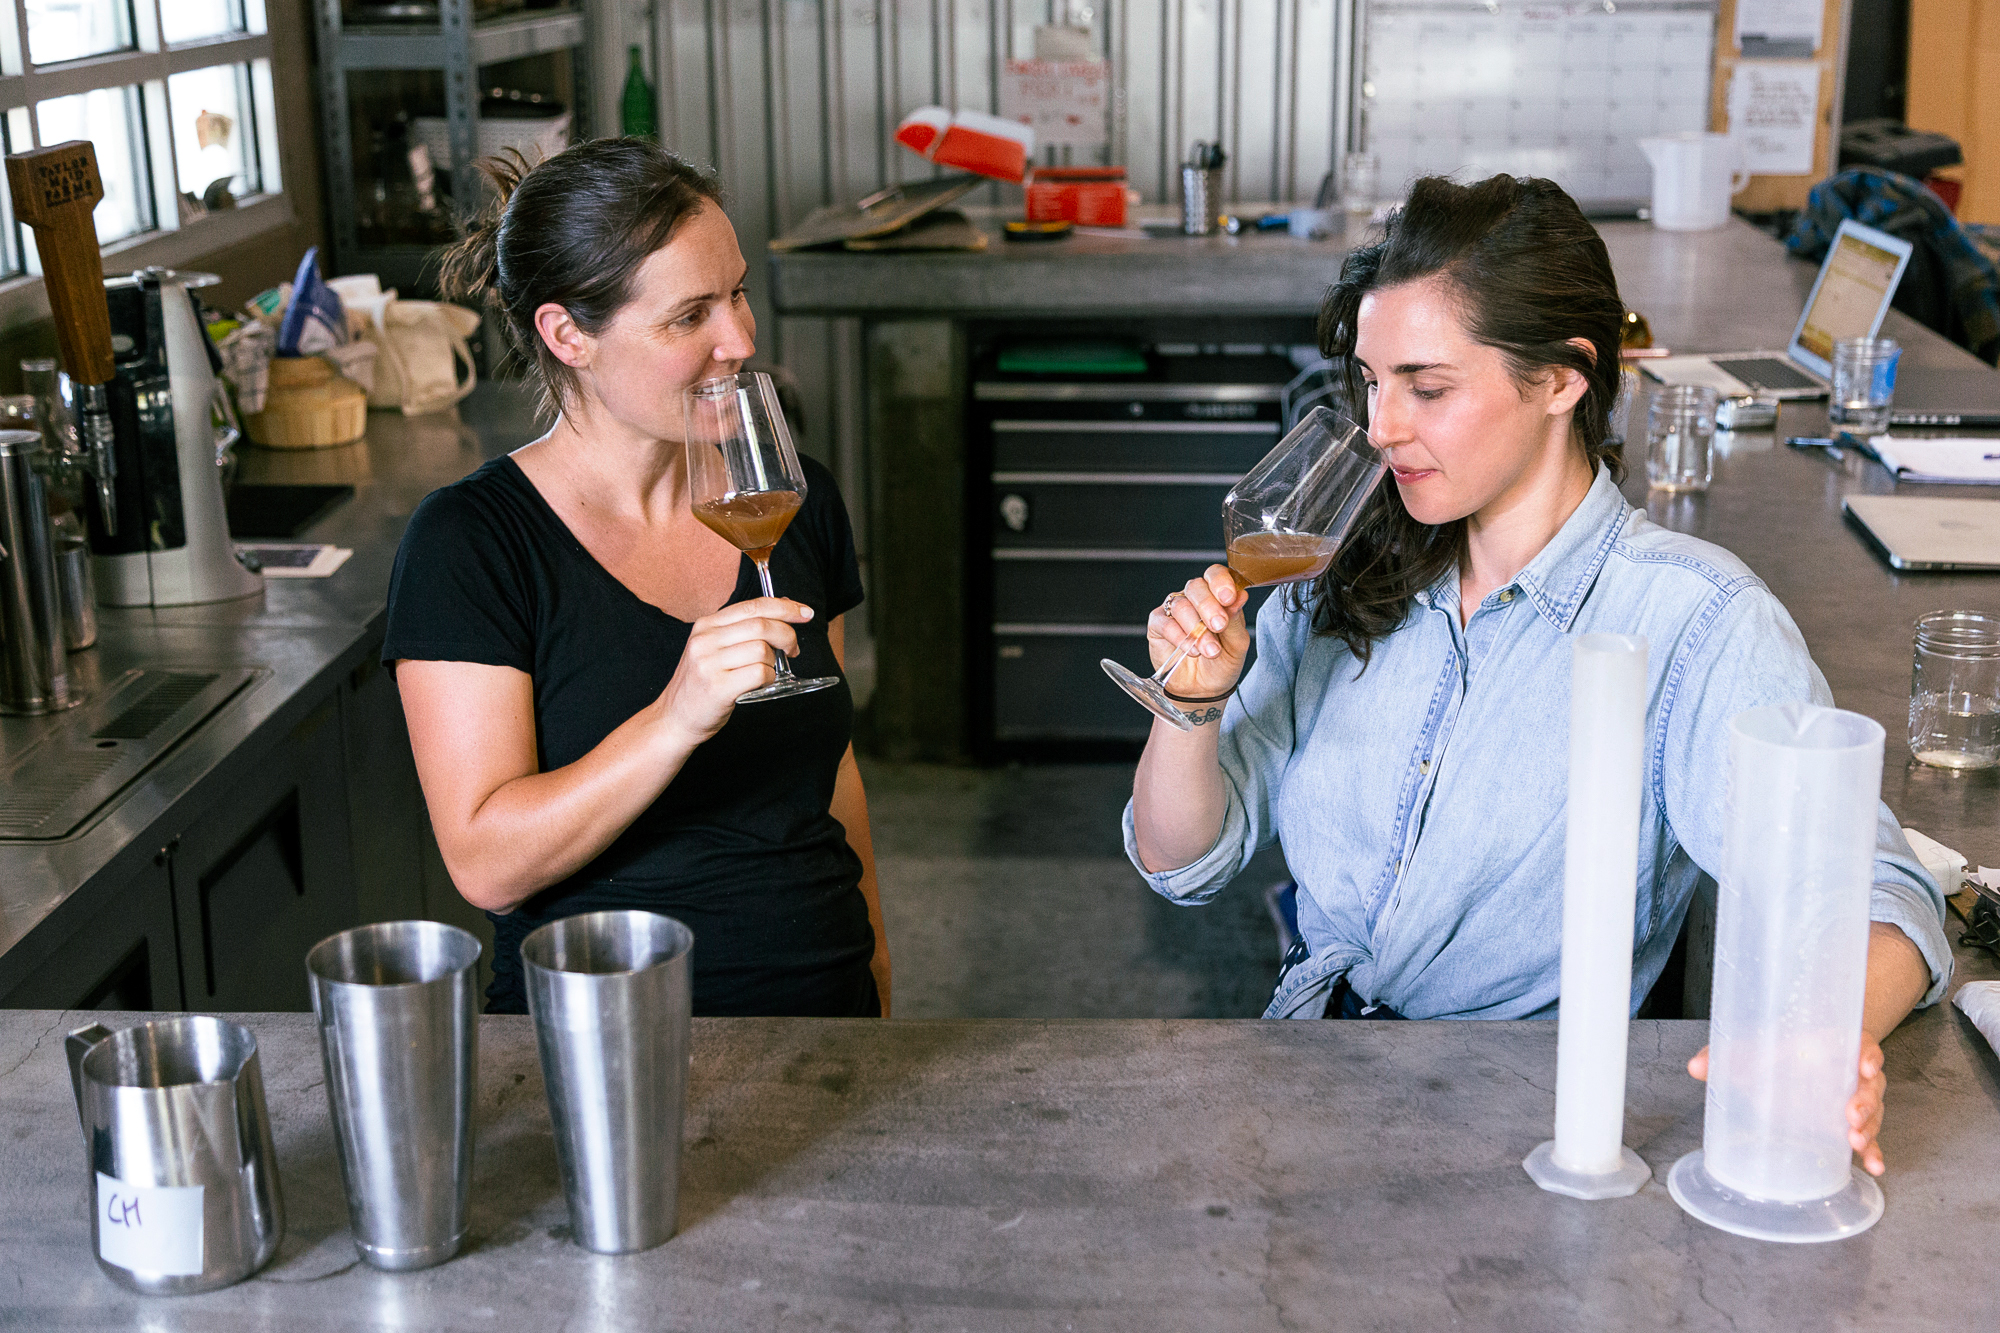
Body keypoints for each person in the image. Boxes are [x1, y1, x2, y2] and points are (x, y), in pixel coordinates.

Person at [1124, 174, 1949, 1175]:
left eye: (1426, 388)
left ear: (1562, 378)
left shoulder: (1691, 622)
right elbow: (1181, 863)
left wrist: (1824, 1039)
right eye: (1371, 382)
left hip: (1522, 1131)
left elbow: (1880, 894)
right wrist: (1191, 705)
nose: (1380, 427)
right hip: (1309, 1081)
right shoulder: (1340, 569)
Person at [383, 139, 889, 1018]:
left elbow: (833, 774)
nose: (740, 340)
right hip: (598, 1042)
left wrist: (877, 977)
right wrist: (674, 718)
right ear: (568, 334)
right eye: (689, 316)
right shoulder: (472, 543)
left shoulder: (788, 497)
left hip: (827, 1025)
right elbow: (486, 865)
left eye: (736, 293)